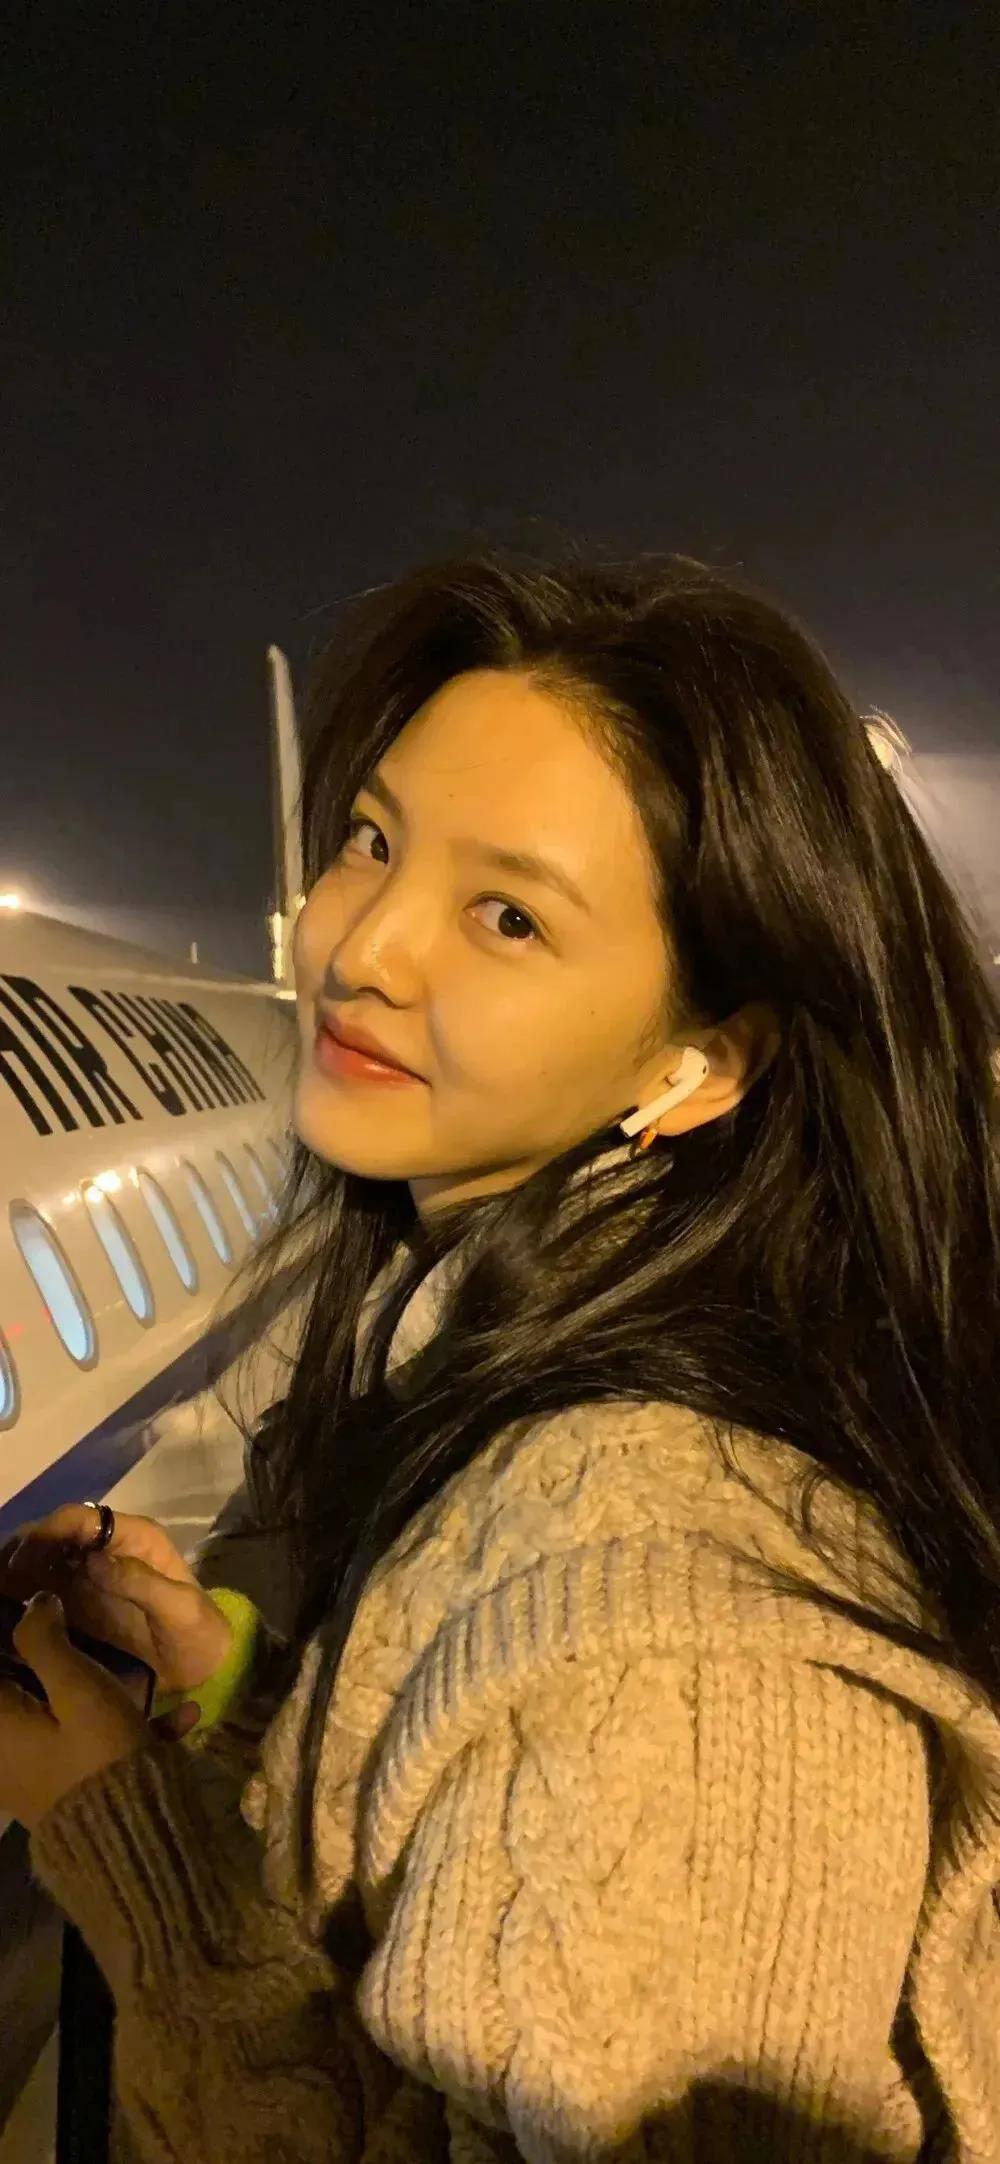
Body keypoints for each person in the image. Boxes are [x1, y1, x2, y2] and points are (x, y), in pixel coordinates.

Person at [2, 547, 1000, 2163]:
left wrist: (132, 1853)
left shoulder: (684, 1675)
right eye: (372, 840)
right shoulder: (489, 1338)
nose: (363, 950)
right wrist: (244, 1697)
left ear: (697, 1064)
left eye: (510, 916)